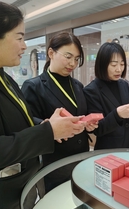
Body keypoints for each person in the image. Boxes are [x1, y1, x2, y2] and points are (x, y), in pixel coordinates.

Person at [0, 1, 85, 209]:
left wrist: (46, 124)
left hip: (22, 189)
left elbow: (19, 123)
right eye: (19, 37)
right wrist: (48, 132)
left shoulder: (4, 77)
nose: (24, 46)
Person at [21, 31, 97, 192]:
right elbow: (27, 121)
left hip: (80, 158)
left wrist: (89, 123)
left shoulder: (77, 85)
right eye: (68, 57)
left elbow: (82, 114)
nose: (73, 63)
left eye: (76, 59)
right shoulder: (34, 86)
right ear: (51, 53)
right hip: (53, 162)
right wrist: (45, 125)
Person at [83, 42, 129, 149]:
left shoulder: (123, 84)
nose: (119, 69)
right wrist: (117, 115)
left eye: (122, 64)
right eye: (114, 65)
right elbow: (98, 129)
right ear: (102, 64)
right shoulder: (91, 90)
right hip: (109, 150)